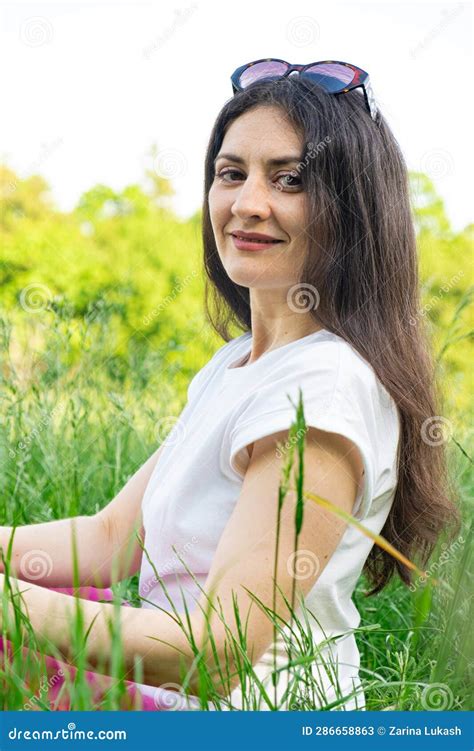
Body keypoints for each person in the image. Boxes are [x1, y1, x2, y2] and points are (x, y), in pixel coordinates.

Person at [0, 59, 460, 712]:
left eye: (289, 179)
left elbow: (217, 653)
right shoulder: (237, 364)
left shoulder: (322, 387)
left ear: (352, 207)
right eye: (231, 173)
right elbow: (111, 540)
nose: (247, 204)